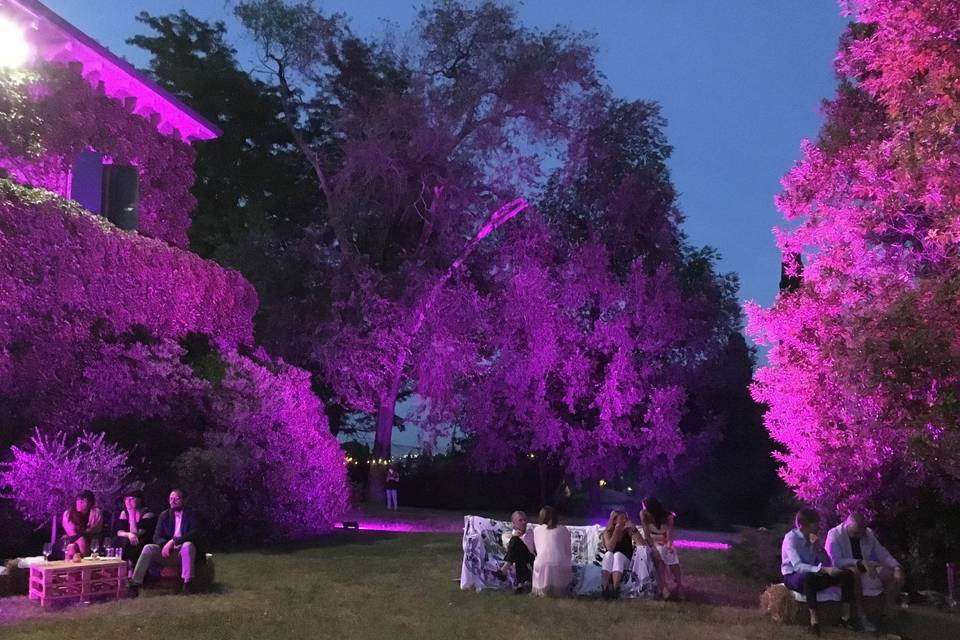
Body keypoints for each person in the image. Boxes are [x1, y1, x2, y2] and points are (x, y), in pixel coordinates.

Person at [782, 507, 872, 635]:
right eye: (815, 524)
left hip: (815, 572)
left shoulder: (814, 538)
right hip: (793, 576)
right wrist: (823, 569)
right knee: (808, 577)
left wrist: (818, 548)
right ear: (804, 525)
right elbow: (798, 566)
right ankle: (814, 620)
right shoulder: (791, 539)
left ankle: (845, 617)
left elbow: (827, 562)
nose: (818, 527)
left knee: (847, 574)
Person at [826, 512, 906, 622]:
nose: (860, 536)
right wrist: (859, 562)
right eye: (856, 533)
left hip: (867, 568)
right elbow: (835, 561)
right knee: (855, 572)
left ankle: (886, 607)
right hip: (845, 572)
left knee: (894, 575)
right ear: (847, 526)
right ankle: (861, 614)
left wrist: (897, 567)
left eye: (862, 533)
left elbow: (882, 553)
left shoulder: (867, 533)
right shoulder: (834, 535)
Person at [127, 488, 202, 596]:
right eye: (171, 498)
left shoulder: (192, 514)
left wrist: (174, 541)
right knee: (148, 547)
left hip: (183, 553)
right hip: (167, 552)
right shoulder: (164, 515)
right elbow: (156, 537)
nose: (173, 501)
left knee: (188, 545)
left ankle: (187, 584)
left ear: (184, 500)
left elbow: (194, 534)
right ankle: (135, 584)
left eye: (176, 498)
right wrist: (166, 545)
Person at [639, 497, 684, 600]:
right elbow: (647, 536)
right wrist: (654, 545)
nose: (644, 509)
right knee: (659, 553)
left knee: (671, 553)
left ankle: (679, 585)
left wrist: (668, 545)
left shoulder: (668, 517)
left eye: (645, 507)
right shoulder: (643, 515)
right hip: (651, 542)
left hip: (664, 542)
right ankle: (663, 587)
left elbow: (669, 537)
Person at [531, 505, 571, 597]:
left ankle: (540, 590)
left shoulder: (537, 530)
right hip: (560, 563)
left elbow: (538, 550)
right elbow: (567, 551)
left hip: (542, 563)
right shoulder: (564, 529)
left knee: (541, 561)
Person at [495, 510, 536, 594]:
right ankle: (524, 584)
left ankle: (504, 569)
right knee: (516, 548)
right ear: (513, 524)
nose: (524, 522)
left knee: (515, 542)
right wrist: (515, 537)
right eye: (520, 520)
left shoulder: (532, 533)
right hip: (521, 562)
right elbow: (509, 549)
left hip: (532, 560)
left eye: (525, 520)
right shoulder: (507, 536)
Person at [601, 510, 639, 600]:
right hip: (611, 562)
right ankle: (605, 588)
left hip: (625, 561)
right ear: (614, 521)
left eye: (625, 518)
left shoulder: (628, 532)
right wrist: (616, 531)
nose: (624, 521)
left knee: (618, 555)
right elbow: (610, 548)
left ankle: (615, 589)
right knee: (608, 554)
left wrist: (633, 529)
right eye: (621, 518)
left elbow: (641, 544)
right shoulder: (607, 532)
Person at [114, 489, 156, 569]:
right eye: (127, 499)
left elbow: (137, 533)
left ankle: (131, 567)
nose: (129, 501)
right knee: (120, 540)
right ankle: (119, 566)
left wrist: (131, 513)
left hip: (143, 540)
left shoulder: (147, 514)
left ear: (140, 499)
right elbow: (119, 532)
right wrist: (129, 534)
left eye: (132, 499)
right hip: (128, 540)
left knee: (134, 541)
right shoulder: (124, 513)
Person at [61, 490, 103, 559]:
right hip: (68, 539)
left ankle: (75, 568)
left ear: (90, 503)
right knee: (77, 542)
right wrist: (82, 537)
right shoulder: (68, 514)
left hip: (90, 539)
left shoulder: (96, 513)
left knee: (73, 547)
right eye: (78, 500)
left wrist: (84, 534)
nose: (79, 502)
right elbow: (71, 533)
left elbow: (96, 529)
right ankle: (84, 565)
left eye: (83, 500)